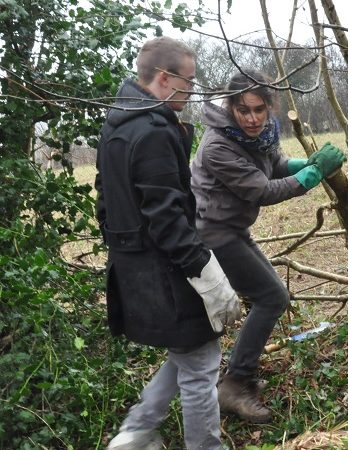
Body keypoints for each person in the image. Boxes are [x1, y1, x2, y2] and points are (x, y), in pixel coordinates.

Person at [95, 36, 241, 450]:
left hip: (134, 268)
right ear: (164, 78)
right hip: (167, 271)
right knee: (200, 367)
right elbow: (166, 217)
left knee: (189, 353)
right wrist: (205, 272)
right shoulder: (154, 132)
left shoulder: (117, 123)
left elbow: (104, 201)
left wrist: (127, 249)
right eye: (189, 82)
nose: (192, 90)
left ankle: (138, 430)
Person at [190, 69, 346, 423]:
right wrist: (313, 174)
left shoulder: (257, 135)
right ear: (230, 107)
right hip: (214, 232)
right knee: (272, 296)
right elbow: (261, 189)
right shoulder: (218, 145)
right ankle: (233, 386)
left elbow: (273, 164)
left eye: (259, 109)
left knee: (271, 296)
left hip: (233, 227)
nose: (252, 118)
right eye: (243, 110)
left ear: (269, 107)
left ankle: (235, 375)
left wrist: (305, 163)